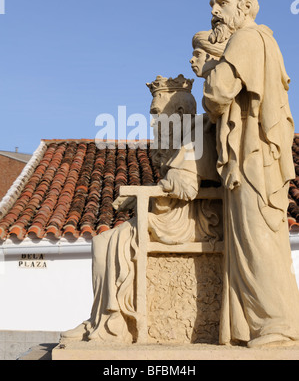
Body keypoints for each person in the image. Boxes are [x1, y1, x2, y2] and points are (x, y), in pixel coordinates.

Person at [61, 74, 222, 343]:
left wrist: (148, 193)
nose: (153, 121)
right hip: (171, 213)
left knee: (104, 242)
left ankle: (113, 323)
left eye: (157, 113)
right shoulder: (181, 139)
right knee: (103, 241)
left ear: (179, 112)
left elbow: (185, 188)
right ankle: (102, 318)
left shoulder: (196, 137)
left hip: (189, 221)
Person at [201, 0, 299, 347]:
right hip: (261, 159)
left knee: (254, 240)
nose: (214, 10)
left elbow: (217, 93)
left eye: (221, 3)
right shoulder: (266, 40)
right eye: (212, 3)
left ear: (243, 7)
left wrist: (213, 65)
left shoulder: (245, 40)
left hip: (252, 160)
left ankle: (274, 324)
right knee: (263, 240)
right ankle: (258, 325)